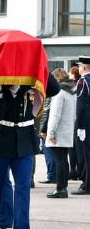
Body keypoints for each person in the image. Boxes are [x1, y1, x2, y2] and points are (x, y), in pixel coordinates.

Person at [0, 72, 60, 229]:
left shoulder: (30, 77)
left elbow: (54, 88)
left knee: (23, 191)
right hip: (1, 138)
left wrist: (38, 63)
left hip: (25, 140)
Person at [46, 68, 76, 198]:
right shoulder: (71, 92)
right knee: (64, 160)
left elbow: (55, 115)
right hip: (68, 130)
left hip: (58, 131)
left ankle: (60, 188)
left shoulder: (59, 93)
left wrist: (50, 133)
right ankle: (64, 186)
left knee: (59, 160)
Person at [71, 55, 90, 195]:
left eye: (79, 66)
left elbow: (81, 106)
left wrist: (81, 127)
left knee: (85, 154)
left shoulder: (83, 82)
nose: (78, 68)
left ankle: (86, 184)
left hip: (86, 123)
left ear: (84, 67)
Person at [68, 65, 81, 180]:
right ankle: (77, 170)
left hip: (74, 119)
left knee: (73, 147)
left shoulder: (73, 85)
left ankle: (73, 170)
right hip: (78, 119)